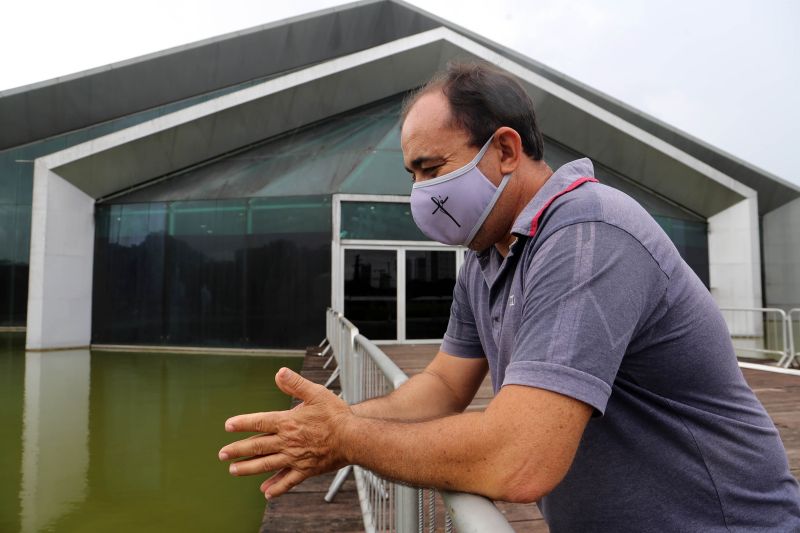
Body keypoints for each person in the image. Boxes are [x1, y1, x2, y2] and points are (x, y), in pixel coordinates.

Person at [219, 63, 800, 531]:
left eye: (431, 168)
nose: (419, 192)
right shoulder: (487, 254)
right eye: (410, 175)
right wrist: (340, 419)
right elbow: (444, 385)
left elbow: (521, 460)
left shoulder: (588, 231)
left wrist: (347, 438)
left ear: (503, 149)